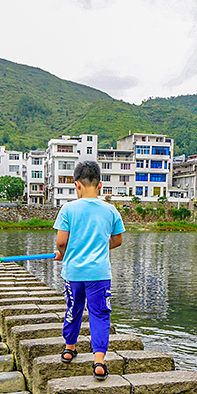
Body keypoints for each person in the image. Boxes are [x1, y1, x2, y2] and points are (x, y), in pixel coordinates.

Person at [53, 161, 124, 380]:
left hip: (74, 273)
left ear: (77, 185)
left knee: (73, 308)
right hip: (100, 274)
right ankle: (99, 361)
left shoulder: (68, 209)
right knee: (100, 315)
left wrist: (64, 254)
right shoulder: (110, 210)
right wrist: (100, 246)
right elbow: (117, 240)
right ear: (100, 185)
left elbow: (61, 242)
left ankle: (69, 348)